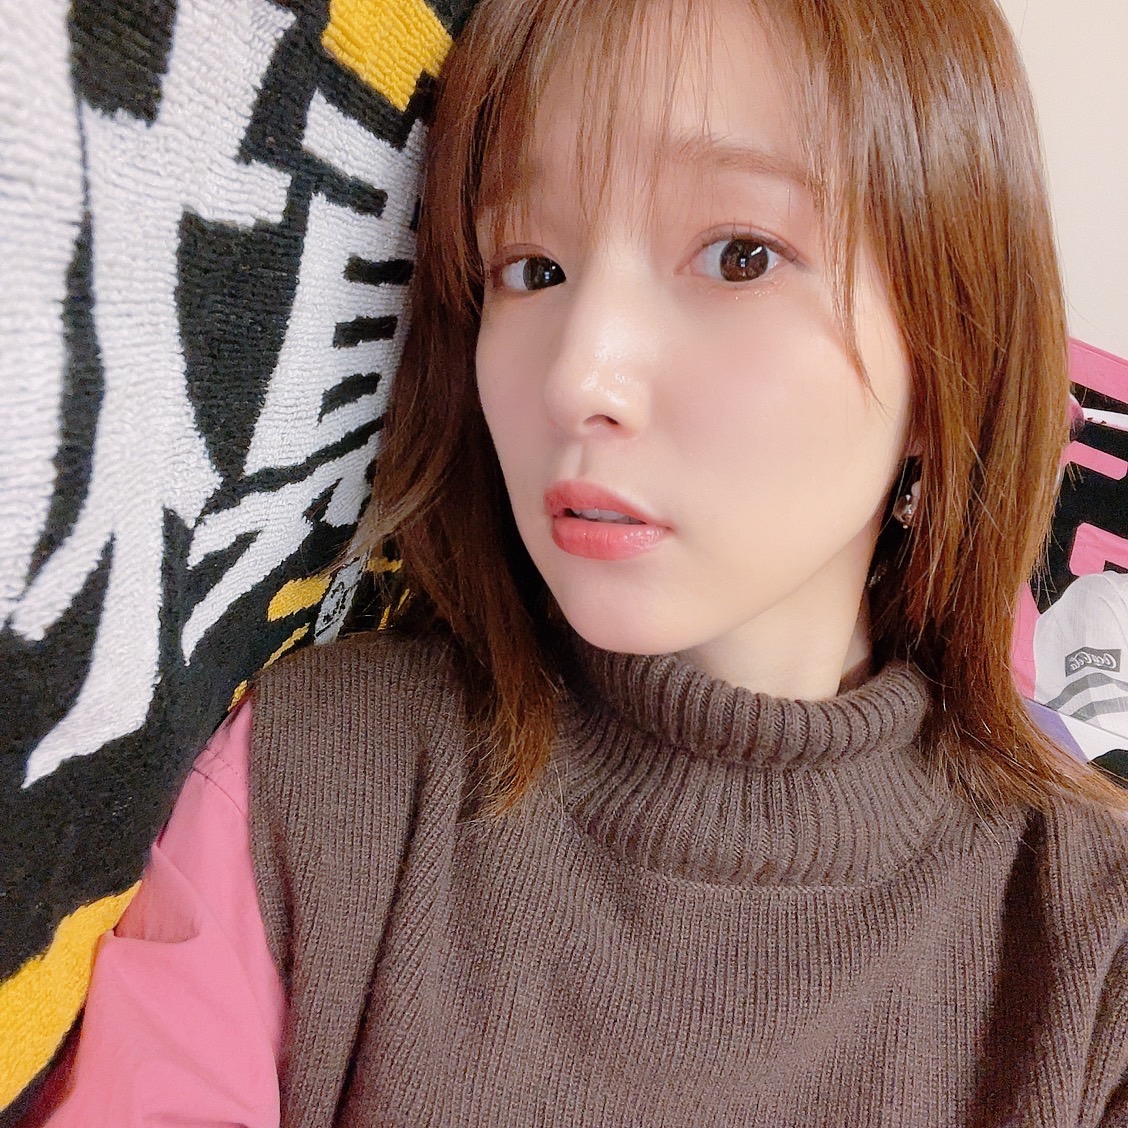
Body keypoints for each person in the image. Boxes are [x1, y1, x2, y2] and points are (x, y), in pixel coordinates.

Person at [33, 0, 1128, 1123]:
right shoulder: (316, 780)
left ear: (952, 362)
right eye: (532, 267)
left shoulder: (1089, 937)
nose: (576, 377)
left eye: (740, 256)